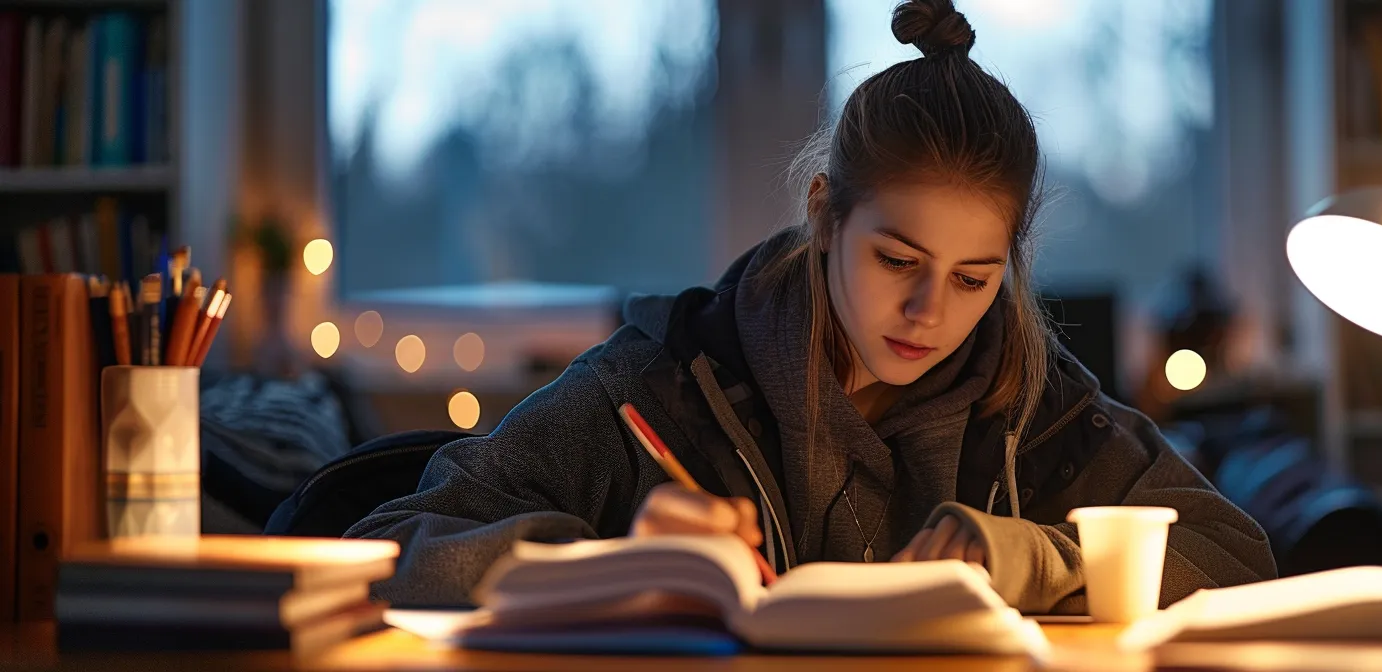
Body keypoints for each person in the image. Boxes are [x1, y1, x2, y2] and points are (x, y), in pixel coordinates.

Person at [346, 0, 1276, 614]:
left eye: (973, 277)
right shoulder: (659, 381)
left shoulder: (1030, 401)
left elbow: (1236, 556)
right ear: (826, 215)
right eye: (897, 258)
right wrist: (605, 564)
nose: (928, 310)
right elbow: (386, 548)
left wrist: (1037, 557)